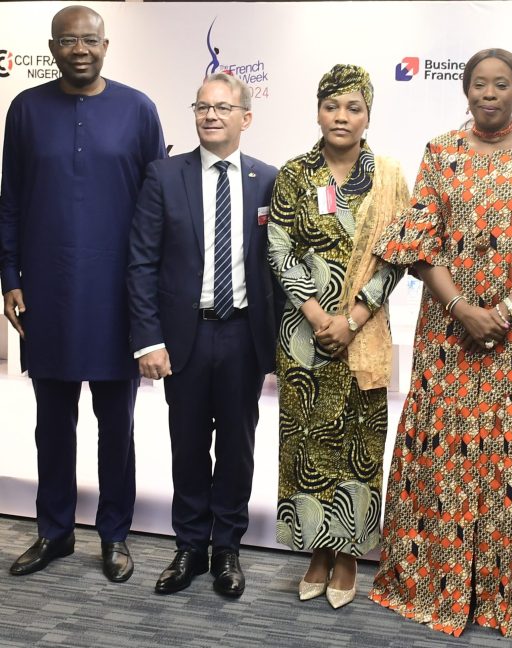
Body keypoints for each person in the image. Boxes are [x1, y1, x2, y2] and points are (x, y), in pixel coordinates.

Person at [369, 48, 512, 637]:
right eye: (479, 84)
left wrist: (501, 310)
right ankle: (436, 583)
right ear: (466, 91)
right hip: (450, 336)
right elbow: (421, 242)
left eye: (501, 84)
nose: (489, 93)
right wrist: (463, 309)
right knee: (446, 454)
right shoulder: (440, 150)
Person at [0, 5, 165, 582]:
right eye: (67, 40)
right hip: (46, 293)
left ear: (105, 44)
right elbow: (11, 203)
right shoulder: (24, 110)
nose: (79, 49)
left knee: (116, 423)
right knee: (51, 421)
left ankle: (114, 535)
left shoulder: (139, 110)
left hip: (117, 294)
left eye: (88, 40)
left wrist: (151, 299)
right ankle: (54, 531)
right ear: (51, 47)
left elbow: (156, 210)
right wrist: (11, 278)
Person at [127, 73, 277, 598]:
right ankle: (189, 547)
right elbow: (141, 262)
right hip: (182, 339)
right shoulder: (163, 176)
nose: (210, 116)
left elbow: (276, 269)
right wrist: (148, 340)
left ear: (245, 117)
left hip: (243, 337)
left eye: (222, 107)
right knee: (187, 445)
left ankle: (228, 550)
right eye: (201, 107)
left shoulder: (268, 180)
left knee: (237, 448)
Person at [268, 64, 409, 610]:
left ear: (368, 114)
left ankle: (348, 553)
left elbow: (397, 253)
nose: (341, 116)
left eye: (353, 107)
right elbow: (279, 246)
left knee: (359, 441)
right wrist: (314, 310)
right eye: (332, 106)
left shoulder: (388, 177)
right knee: (304, 441)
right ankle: (316, 551)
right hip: (303, 332)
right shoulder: (295, 173)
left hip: (364, 330)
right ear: (318, 111)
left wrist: (351, 318)